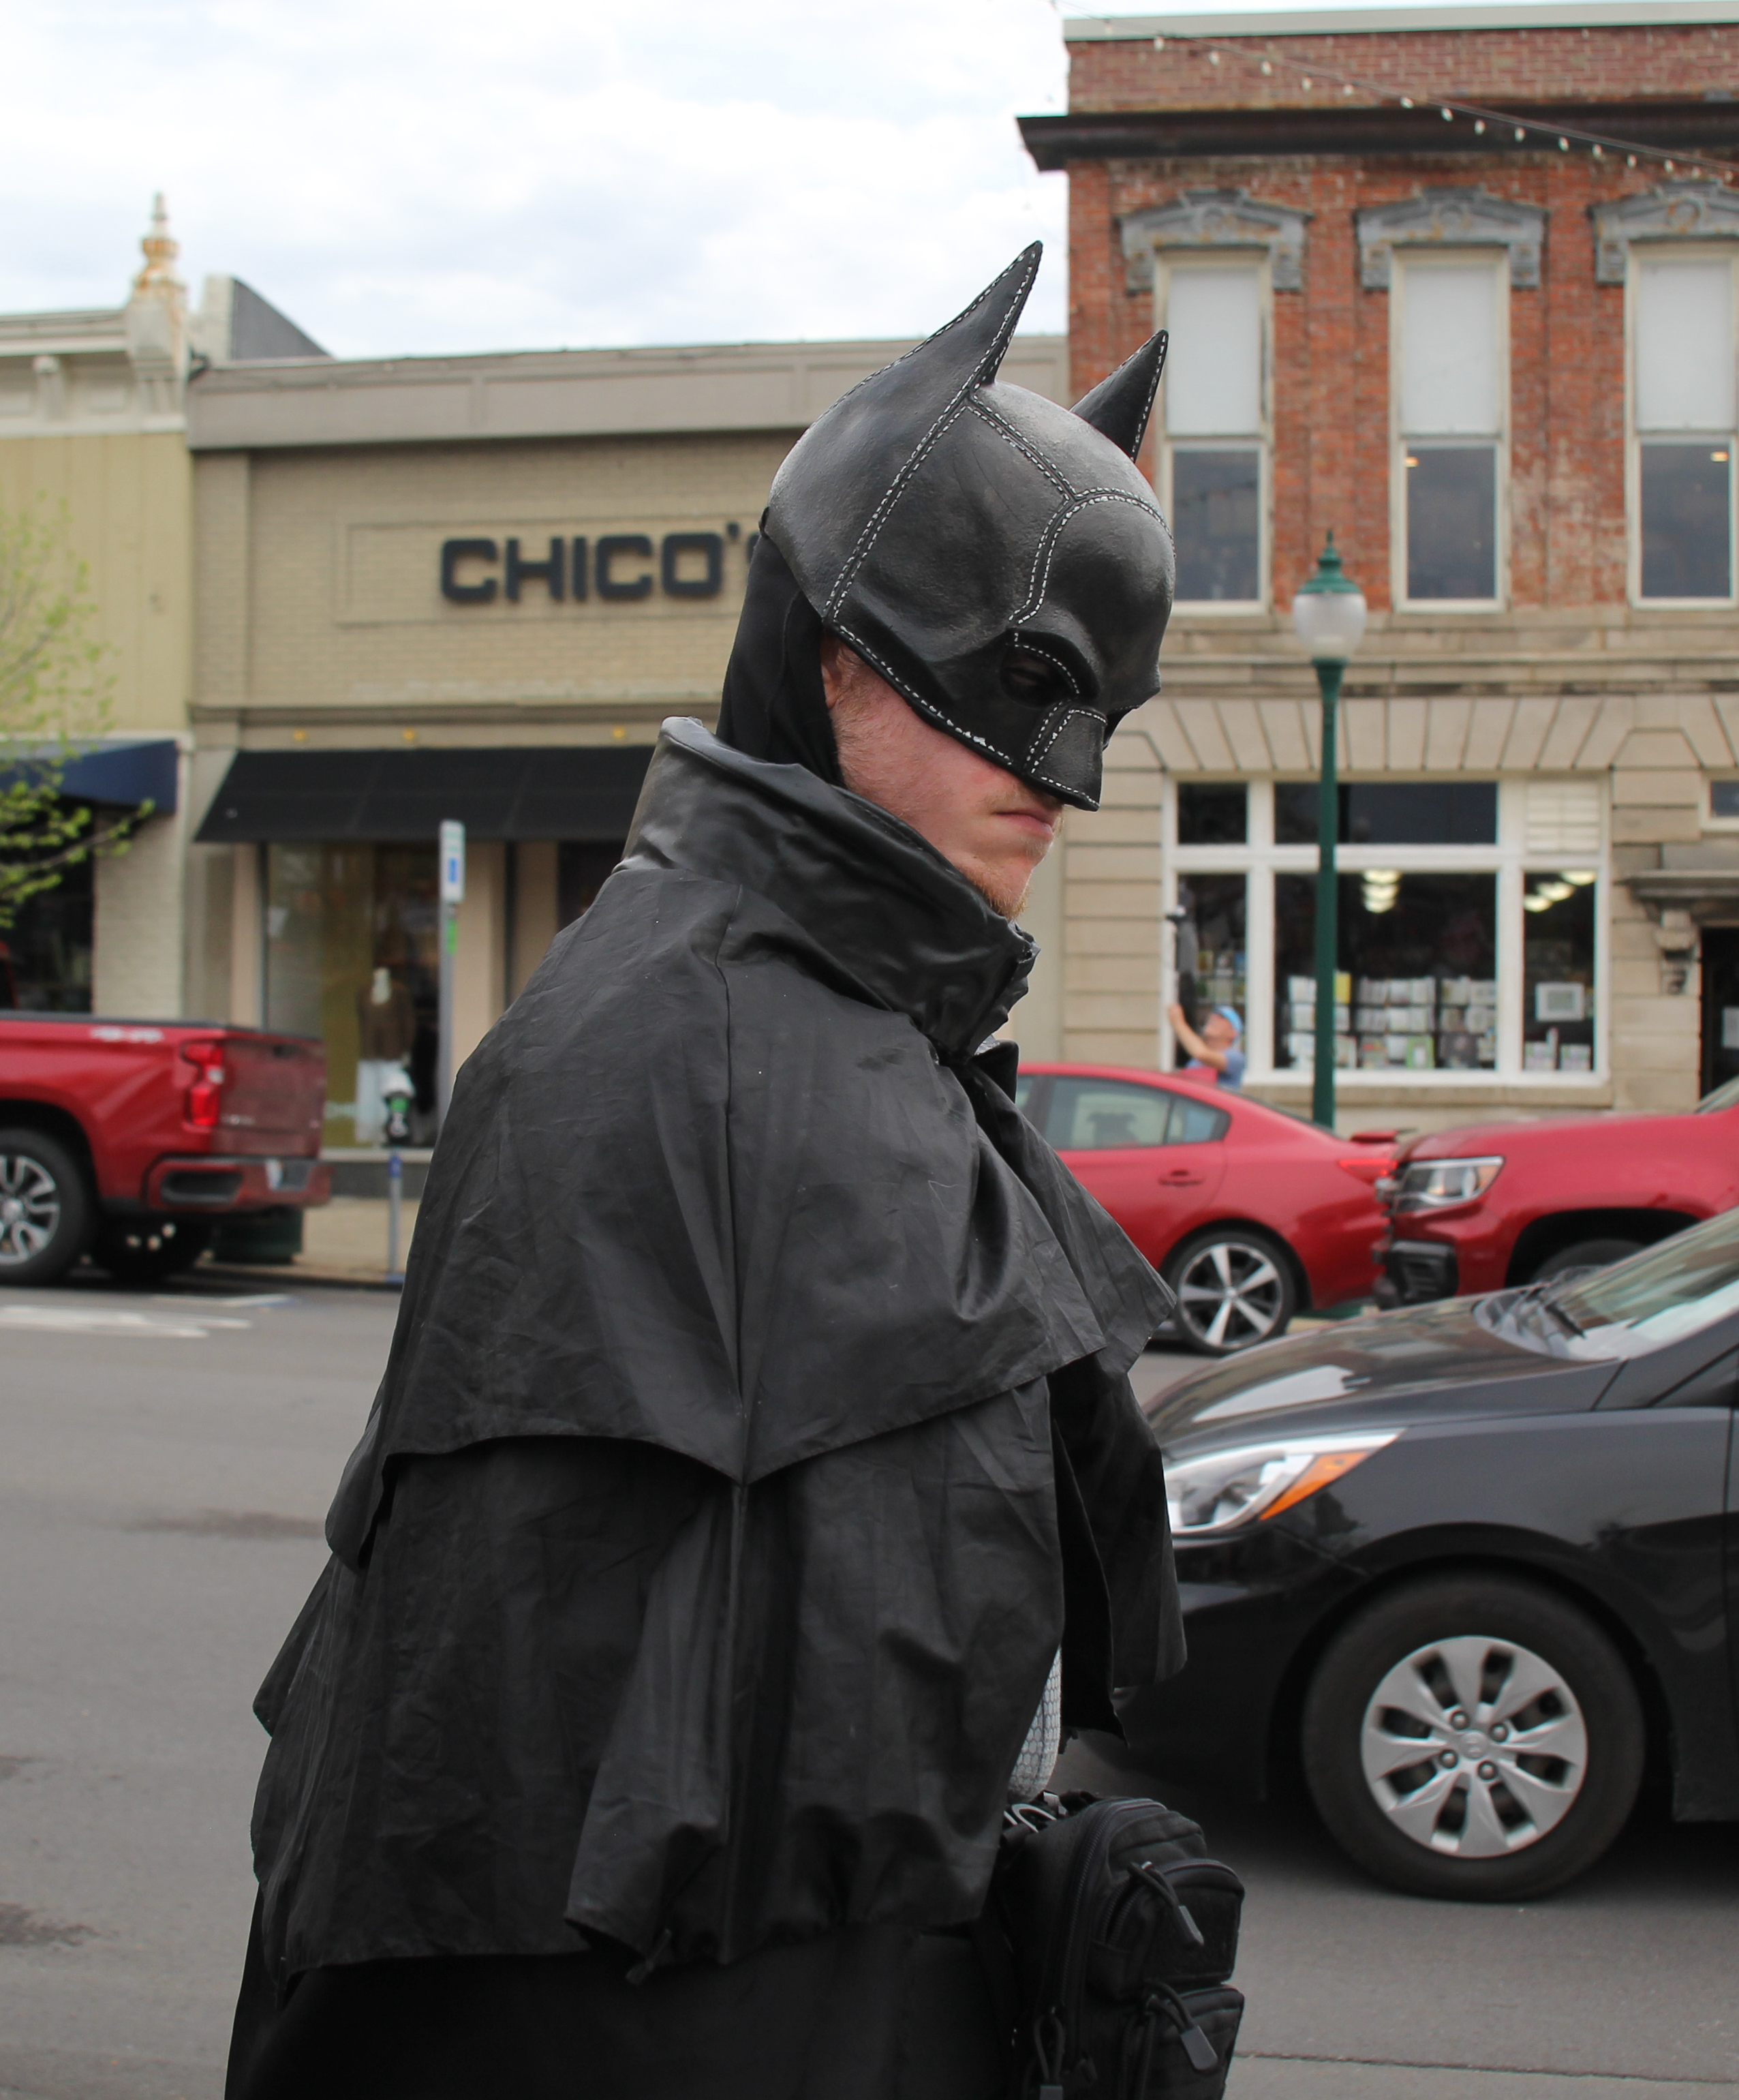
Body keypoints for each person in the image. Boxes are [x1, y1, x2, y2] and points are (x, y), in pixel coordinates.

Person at [224, 244, 1182, 2100]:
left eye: (1093, 726)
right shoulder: (650, 1050)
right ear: (833, 654)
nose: (1055, 782)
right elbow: (492, 1740)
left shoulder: (871, 1031)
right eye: (1007, 694)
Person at [1169, 1002, 1244, 1089]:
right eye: (1213, 1015)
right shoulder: (1195, 1061)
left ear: (1233, 1033)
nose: (1213, 1018)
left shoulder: (1235, 1058)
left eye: (1222, 1018)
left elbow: (1202, 1054)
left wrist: (1179, 1024)